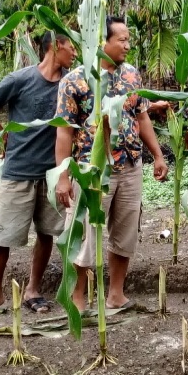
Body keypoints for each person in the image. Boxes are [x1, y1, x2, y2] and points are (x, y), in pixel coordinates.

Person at [54, 16, 168, 311]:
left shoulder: (131, 75)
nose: (128, 45)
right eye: (122, 40)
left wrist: (156, 154)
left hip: (130, 165)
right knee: (85, 232)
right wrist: (63, 177)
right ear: (102, 42)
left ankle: (116, 293)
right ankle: (78, 295)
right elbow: (64, 131)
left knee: (126, 231)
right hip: (91, 169)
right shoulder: (75, 80)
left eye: (129, 39)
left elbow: (141, 117)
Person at [0, 31, 77, 313]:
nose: (75, 53)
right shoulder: (20, 79)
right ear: (55, 47)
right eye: (71, 48)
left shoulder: (71, 84)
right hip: (18, 171)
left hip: (52, 174)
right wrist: (2, 136)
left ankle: (33, 290)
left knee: (46, 233)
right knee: (3, 235)